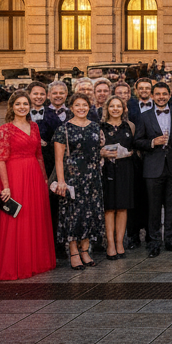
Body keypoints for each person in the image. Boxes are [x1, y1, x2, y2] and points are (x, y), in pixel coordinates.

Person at [0, 91, 57, 281]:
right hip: (14, 176)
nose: (22, 107)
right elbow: (0, 159)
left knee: (34, 218)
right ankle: (15, 264)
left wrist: (44, 179)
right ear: (12, 107)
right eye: (18, 104)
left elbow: (39, 155)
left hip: (34, 176)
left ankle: (35, 262)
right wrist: (5, 187)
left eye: (25, 104)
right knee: (17, 218)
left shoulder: (34, 127)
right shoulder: (4, 130)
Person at [52, 92, 104, 270]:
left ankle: (85, 250)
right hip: (72, 179)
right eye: (77, 105)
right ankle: (74, 252)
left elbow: (97, 151)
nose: (81, 108)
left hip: (92, 178)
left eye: (84, 105)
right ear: (71, 108)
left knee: (90, 215)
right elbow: (58, 159)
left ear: (89, 107)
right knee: (73, 216)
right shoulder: (63, 129)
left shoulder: (95, 127)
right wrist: (61, 181)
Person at [134, 82, 172, 256]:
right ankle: (154, 242)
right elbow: (137, 141)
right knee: (153, 208)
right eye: (158, 94)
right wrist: (152, 142)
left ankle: (171, 241)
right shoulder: (144, 116)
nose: (161, 97)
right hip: (153, 167)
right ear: (152, 96)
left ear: (169, 95)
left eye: (164, 94)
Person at [99, 97, 135, 260]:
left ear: (123, 108)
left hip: (125, 169)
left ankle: (120, 243)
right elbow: (95, 149)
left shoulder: (129, 126)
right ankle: (111, 244)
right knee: (109, 208)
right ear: (107, 108)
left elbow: (135, 145)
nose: (115, 109)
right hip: (106, 169)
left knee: (122, 207)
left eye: (118, 106)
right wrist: (102, 152)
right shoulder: (100, 127)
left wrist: (130, 152)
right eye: (112, 106)